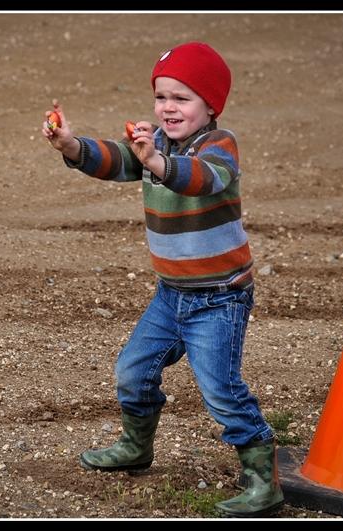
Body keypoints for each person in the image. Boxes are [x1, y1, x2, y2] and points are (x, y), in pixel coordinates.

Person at [41, 41, 284, 517]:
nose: (168, 108)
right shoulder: (154, 145)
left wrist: (156, 160)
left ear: (211, 105)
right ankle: (137, 446)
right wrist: (72, 146)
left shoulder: (219, 146)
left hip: (220, 296)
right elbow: (114, 159)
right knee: (133, 370)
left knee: (220, 389)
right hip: (171, 294)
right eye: (162, 97)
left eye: (182, 98)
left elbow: (202, 179)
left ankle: (262, 478)